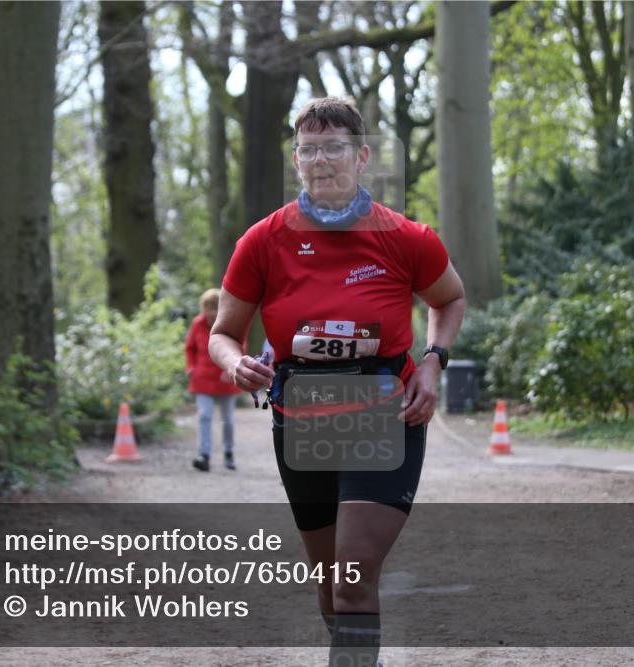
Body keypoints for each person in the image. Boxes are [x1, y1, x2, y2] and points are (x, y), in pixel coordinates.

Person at [209, 97, 465, 666]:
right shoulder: (262, 241)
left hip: (382, 411)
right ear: (296, 160)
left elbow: (448, 299)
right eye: (308, 149)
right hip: (299, 416)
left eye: (334, 148)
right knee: (330, 585)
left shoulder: (406, 238)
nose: (320, 160)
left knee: (352, 575)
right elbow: (223, 332)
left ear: (362, 156)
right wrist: (233, 363)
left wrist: (432, 359)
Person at [185, 288, 243, 472]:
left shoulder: (230, 323)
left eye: (216, 307)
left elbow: (240, 346)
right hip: (202, 378)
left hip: (225, 377)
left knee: (227, 420)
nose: (213, 312)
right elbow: (189, 348)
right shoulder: (197, 324)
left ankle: (228, 453)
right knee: (204, 416)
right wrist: (191, 367)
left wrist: (232, 366)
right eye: (209, 307)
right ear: (203, 308)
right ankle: (204, 455)